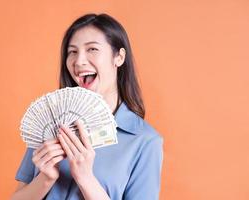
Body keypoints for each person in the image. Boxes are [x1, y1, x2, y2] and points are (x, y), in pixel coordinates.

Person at [11, 13, 163, 200]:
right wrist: (46, 179)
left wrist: (86, 178)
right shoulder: (50, 122)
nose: (79, 61)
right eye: (72, 52)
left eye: (92, 49)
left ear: (119, 57)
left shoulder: (145, 141)